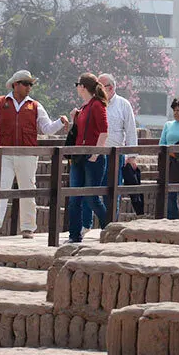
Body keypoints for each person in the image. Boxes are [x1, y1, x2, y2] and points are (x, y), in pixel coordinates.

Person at [0, 70, 68, 239]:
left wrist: (60, 122)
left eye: (31, 84)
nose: (29, 87)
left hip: (28, 154)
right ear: (15, 84)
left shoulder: (36, 106)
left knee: (28, 190)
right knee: (1, 189)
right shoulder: (0, 102)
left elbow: (47, 129)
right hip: (6, 153)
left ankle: (27, 228)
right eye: (26, 84)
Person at [81, 73, 138, 234]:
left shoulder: (123, 105)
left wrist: (131, 156)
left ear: (110, 88)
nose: (96, 89)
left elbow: (131, 131)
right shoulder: (92, 103)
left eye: (100, 86)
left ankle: (109, 228)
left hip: (115, 156)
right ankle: (86, 225)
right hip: (94, 154)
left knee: (112, 193)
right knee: (89, 191)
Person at [66, 73, 110, 243]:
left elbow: (104, 132)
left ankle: (110, 227)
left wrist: (96, 153)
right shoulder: (84, 107)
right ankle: (74, 235)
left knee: (91, 197)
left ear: (83, 86)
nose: (77, 87)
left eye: (78, 84)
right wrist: (74, 119)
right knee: (74, 197)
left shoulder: (97, 105)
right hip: (79, 156)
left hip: (92, 157)